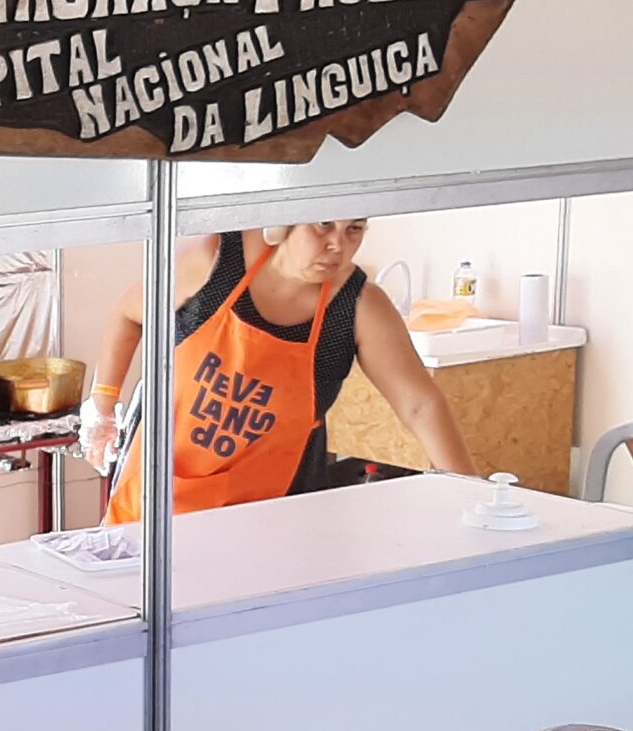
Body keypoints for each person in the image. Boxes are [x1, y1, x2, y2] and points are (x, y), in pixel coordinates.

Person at [81, 220, 476, 522]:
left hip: (271, 508)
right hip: (158, 488)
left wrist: (470, 495)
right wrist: (103, 404)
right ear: (286, 219)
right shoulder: (215, 261)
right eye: (323, 225)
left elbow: (419, 405)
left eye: (354, 229)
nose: (338, 244)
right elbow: (129, 315)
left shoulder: (356, 307)